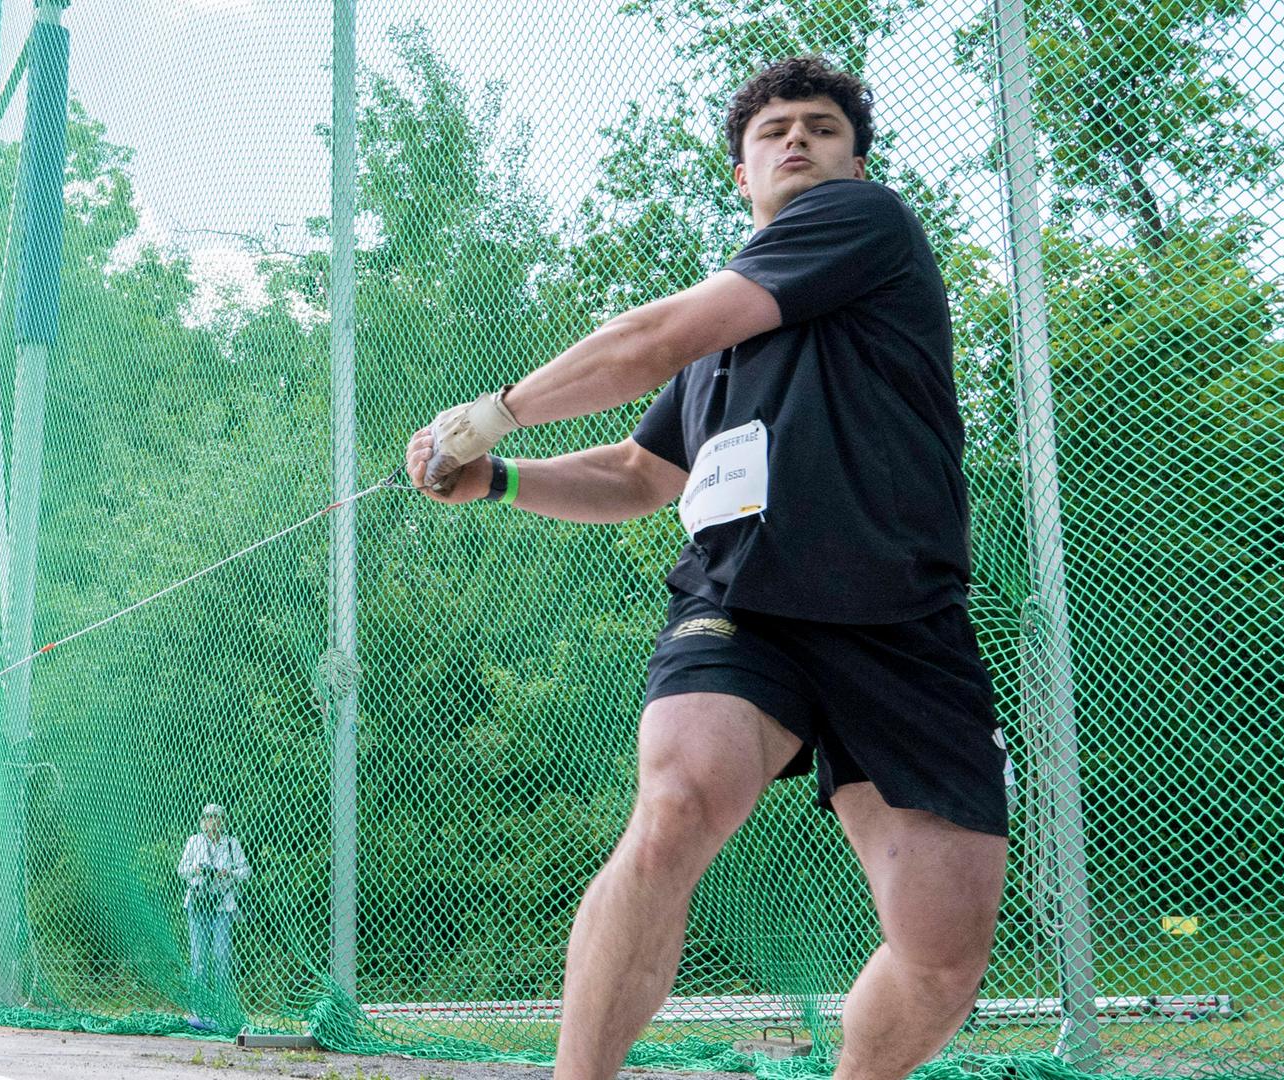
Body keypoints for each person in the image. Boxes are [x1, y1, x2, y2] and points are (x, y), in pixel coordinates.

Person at [406, 57, 1009, 1080]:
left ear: (856, 162)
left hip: (903, 622)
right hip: (744, 605)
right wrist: (503, 477)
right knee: (678, 801)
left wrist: (486, 416)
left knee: (943, 953)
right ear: (742, 175)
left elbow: (646, 340)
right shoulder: (723, 342)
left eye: (822, 127)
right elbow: (640, 474)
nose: (798, 142)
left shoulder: (865, 227)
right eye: (774, 132)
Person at [177, 804, 250, 1003]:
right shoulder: (194, 841)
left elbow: (246, 872)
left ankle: (223, 1005)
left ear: (223, 821)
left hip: (223, 904)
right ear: (202, 821)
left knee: (222, 955)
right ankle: (199, 1006)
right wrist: (196, 869)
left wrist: (229, 873)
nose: (212, 821)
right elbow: (181, 870)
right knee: (198, 957)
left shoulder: (231, 844)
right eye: (208, 817)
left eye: (216, 817)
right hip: (198, 902)